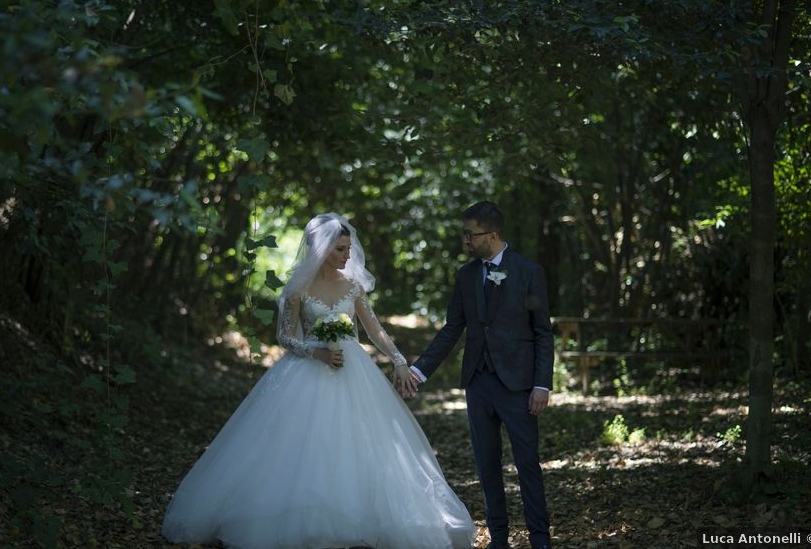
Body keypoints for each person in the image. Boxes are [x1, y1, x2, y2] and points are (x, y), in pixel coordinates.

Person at [161, 212, 476, 549]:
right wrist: (317, 352)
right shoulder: (298, 288)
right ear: (324, 249)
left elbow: (374, 330)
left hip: (354, 371)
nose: (348, 256)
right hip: (308, 369)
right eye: (341, 249)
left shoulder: (352, 287)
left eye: (348, 248)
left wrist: (399, 361)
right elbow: (284, 337)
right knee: (298, 444)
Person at [405, 201, 553, 549]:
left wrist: (542, 384)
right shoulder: (466, 274)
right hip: (478, 382)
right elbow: (452, 328)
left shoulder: (529, 271)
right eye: (464, 234)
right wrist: (418, 369)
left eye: (470, 234)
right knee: (487, 466)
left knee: (527, 464)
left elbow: (543, 332)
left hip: (519, 385)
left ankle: (540, 540)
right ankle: (498, 539)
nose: (465, 240)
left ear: (494, 234)